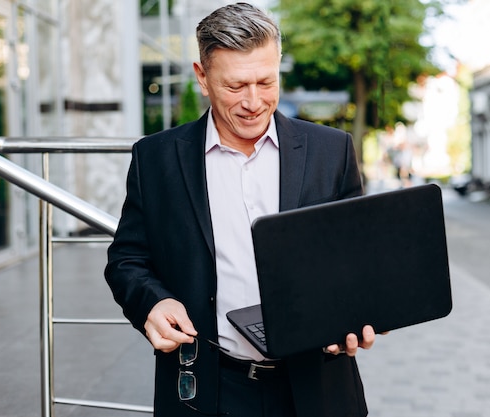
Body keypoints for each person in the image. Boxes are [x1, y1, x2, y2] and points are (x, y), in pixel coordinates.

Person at [105, 3, 378, 417]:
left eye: (265, 82)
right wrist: (152, 303)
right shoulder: (155, 159)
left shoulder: (332, 150)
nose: (254, 102)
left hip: (318, 387)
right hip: (208, 389)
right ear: (202, 77)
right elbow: (126, 260)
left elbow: (359, 260)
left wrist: (360, 315)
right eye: (235, 86)